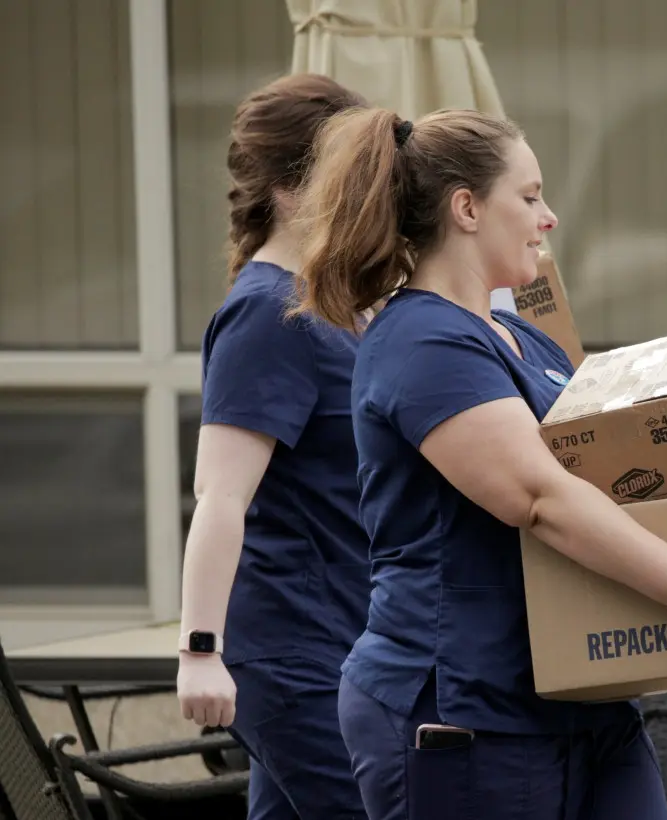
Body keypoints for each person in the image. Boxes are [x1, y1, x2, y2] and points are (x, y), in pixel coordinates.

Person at [290, 105, 667, 820]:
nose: (551, 217)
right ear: (466, 208)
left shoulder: (520, 340)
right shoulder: (423, 344)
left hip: (576, 696)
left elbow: (638, 495)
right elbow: (540, 499)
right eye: (530, 197)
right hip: (464, 703)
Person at [175, 74, 370, 820]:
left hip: (335, 644)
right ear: (289, 192)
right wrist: (199, 650)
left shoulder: (328, 306)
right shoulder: (267, 315)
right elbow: (219, 495)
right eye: (348, 176)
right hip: (295, 656)